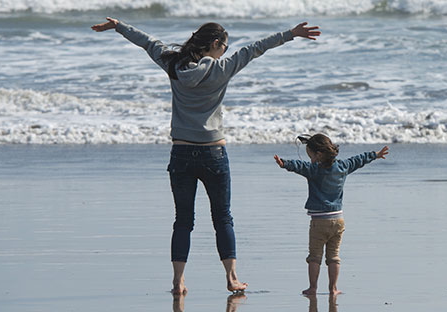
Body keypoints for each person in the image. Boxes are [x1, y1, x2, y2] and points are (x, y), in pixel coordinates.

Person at [91, 17, 321, 295]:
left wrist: (119, 26)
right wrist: (290, 34)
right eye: (224, 46)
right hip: (213, 153)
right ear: (215, 44)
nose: (225, 51)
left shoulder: (173, 65)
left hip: (181, 153)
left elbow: (147, 43)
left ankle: (178, 282)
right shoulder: (223, 68)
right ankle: (232, 278)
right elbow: (256, 48)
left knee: (183, 220)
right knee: (222, 218)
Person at [273, 134, 389, 295]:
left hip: (319, 222)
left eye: (311, 156)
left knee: (314, 257)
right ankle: (333, 288)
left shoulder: (314, 170)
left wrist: (284, 163)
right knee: (334, 257)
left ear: (318, 155)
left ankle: (313, 288)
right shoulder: (343, 167)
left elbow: (299, 166)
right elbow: (358, 160)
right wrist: (374, 155)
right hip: (338, 220)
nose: (310, 160)